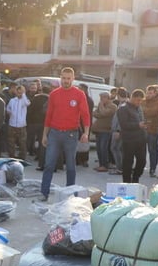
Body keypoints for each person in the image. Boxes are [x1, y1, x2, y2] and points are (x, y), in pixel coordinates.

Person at [39, 67, 90, 201]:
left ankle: (70, 194)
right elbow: (49, 116)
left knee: (70, 165)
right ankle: (44, 192)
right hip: (54, 134)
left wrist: (86, 132)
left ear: (73, 79)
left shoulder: (79, 94)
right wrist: (45, 134)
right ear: (60, 78)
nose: (66, 81)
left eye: (68, 78)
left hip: (71, 135)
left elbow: (85, 114)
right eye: (63, 78)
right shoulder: (54, 94)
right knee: (49, 164)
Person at [117, 89, 147, 183]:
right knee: (128, 163)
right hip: (129, 140)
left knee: (142, 161)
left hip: (140, 139)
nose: (139, 102)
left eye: (141, 101)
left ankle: (135, 178)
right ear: (132, 98)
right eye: (138, 100)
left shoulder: (138, 108)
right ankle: (127, 183)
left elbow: (141, 120)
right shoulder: (123, 108)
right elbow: (124, 124)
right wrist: (138, 125)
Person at [141, 84, 158, 177]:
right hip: (142, 129)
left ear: (155, 93)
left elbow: (152, 112)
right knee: (141, 150)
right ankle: (140, 167)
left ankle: (153, 169)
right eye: (147, 93)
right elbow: (140, 110)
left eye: (150, 93)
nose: (148, 94)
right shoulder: (143, 101)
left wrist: (144, 110)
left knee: (152, 150)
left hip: (153, 130)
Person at [91, 91, 116, 172]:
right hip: (98, 130)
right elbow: (94, 113)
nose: (101, 100)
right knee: (98, 148)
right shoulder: (101, 105)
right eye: (100, 98)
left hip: (106, 130)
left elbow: (104, 113)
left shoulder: (113, 106)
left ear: (107, 98)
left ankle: (104, 165)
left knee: (103, 148)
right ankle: (101, 164)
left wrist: (101, 107)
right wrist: (100, 112)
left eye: (102, 98)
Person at [5, 84, 30, 160]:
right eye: (18, 92)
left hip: (21, 125)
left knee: (22, 142)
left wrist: (24, 93)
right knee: (11, 141)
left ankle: (22, 156)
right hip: (12, 124)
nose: (19, 94)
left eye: (21, 92)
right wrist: (9, 111)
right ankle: (11, 155)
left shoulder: (25, 100)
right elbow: (8, 108)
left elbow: (27, 103)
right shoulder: (12, 100)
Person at [26, 85, 49, 162]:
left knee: (29, 138)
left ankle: (27, 152)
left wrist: (28, 120)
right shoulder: (49, 99)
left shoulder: (36, 98)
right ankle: (40, 156)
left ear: (41, 90)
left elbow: (30, 109)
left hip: (33, 122)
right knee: (41, 140)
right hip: (43, 123)